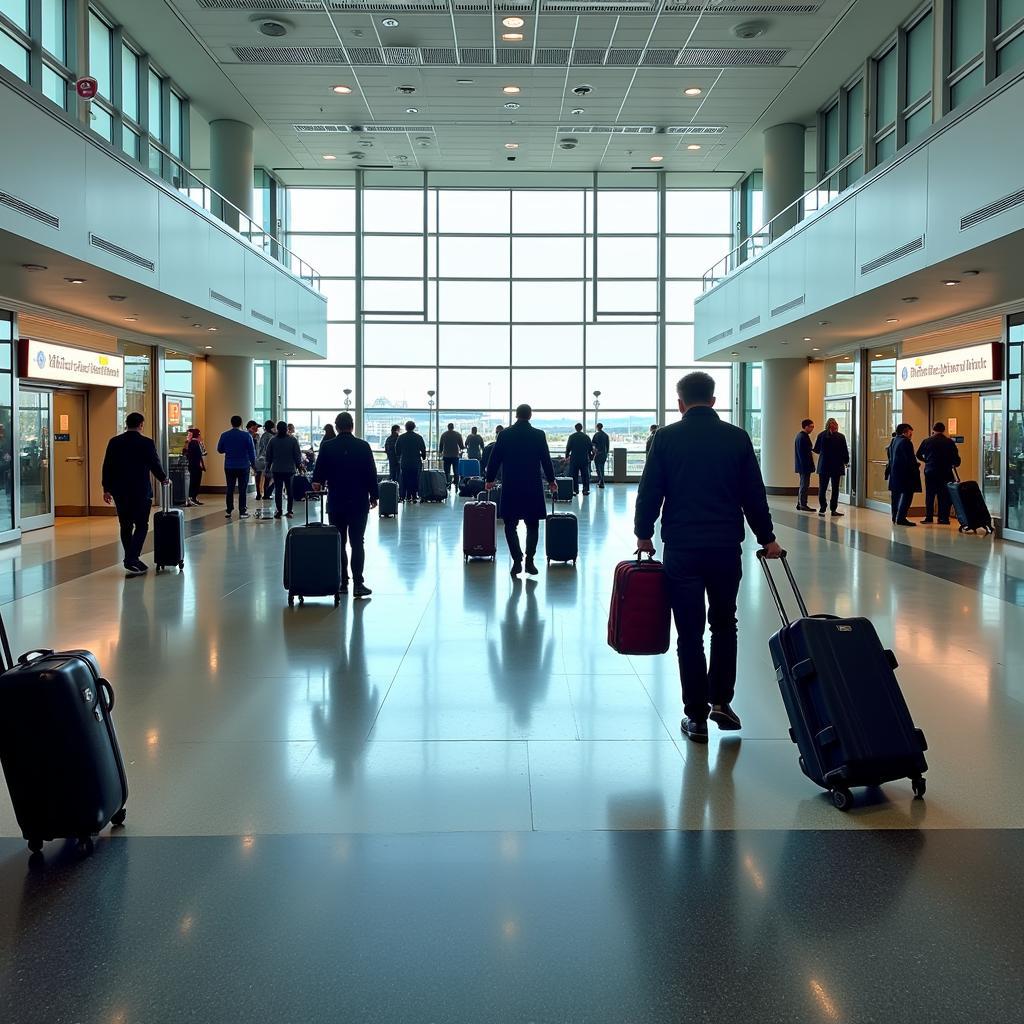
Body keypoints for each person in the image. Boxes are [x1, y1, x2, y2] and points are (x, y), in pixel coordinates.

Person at [634, 371, 781, 743]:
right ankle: (722, 702)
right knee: (724, 624)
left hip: (682, 548)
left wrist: (644, 533)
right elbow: (753, 494)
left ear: (680, 403)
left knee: (690, 634)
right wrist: (768, 538)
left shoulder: (666, 438)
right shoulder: (736, 438)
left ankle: (695, 717)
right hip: (724, 547)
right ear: (714, 401)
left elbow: (650, 489)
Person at [484, 404, 558, 578]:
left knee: (510, 525)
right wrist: (552, 480)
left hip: (511, 486)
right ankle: (530, 561)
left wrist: (489, 480)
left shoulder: (505, 435)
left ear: (516, 415)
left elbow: (494, 459)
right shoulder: (539, 435)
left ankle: (517, 560)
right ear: (530, 415)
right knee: (533, 525)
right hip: (532, 485)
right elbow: (546, 460)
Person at [312, 412, 379, 598]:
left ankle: (342, 583)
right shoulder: (363, 446)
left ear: (337, 426)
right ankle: (359, 584)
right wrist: (374, 495)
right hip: (358, 501)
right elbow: (371, 473)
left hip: (336, 501)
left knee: (339, 541)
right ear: (352, 426)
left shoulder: (326, 446)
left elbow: (318, 477)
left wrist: (319, 483)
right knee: (358, 542)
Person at [101, 412, 169, 577]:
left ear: (126, 424)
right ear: (141, 425)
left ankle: (131, 558)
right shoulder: (146, 443)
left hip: (120, 491)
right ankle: (131, 558)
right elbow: (154, 463)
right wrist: (163, 478)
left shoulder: (114, 442)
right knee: (141, 525)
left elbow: (107, 465)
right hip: (140, 491)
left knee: (125, 525)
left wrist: (106, 488)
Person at [916, 422, 961, 524]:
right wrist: (954, 463)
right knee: (944, 495)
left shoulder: (927, 441)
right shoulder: (949, 442)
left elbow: (918, 454)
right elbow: (956, 459)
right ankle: (943, 518)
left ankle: (929, 517)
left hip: (930, 471)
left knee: (930, 495)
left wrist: (926, 460)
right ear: (944, 430)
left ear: (933, 429)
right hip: (945, 472)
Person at [217, 415, 257, 520]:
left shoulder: (224, 435)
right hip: (243, 466)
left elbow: (219, 449)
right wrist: (254, 465)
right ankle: (242, 511)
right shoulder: (246, 436)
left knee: (230, 488)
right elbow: (251, 452)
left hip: (229, 465)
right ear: (241, 423)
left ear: (231, 423)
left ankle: (229, 510)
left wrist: (229, 450)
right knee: (242, 489)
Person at [265, 421, 303, 519]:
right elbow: (297, 455)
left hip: (277, 469)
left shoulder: (273, 440)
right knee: (289, 490)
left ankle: (279, 511)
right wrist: (299, 467)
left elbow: (268, 457)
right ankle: (289, 511)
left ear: (277, 429)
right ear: (286, 429)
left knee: (278, 490)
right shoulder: (293, 440)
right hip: (290, 469)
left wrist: (267, 468)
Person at [813, 417, 850, 517]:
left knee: (822, 488)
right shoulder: (841, 437)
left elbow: (816, 449)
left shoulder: (821, 435)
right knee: (835, 489)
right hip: (836, 466)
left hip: (824, 466)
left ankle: (822, 508)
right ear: (835, 426)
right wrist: (846, 461)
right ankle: (833, 509)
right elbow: (844, 452)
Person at [887, 423, 921, 526]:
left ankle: (894, 516)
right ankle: (901, 518)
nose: (911, 435)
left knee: (895, 496)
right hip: (906, 475)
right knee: (907, 495)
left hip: (895, 474)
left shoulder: (894, 440)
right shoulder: (906, 442)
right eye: (910, 432)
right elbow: (909, 459)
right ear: (905, 432)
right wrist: (916, 466)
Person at [396, 420, 427, 502]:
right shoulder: (418, 437)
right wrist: (423, 457)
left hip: (405, 461)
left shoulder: (401, 437)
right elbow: (423, 449)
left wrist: (400, 456)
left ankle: (405, 496)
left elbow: (397, 450)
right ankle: (414, 496)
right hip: (415, 462)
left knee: (405, 478)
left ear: (406, 428)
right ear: (414, 427)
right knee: (414, 478)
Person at [793, 418, 816, 512]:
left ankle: (800, 503)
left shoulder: (799, 436)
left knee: (803, 484)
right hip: (805, 466)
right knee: (804, 485)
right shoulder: (803, 437)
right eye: (811, 427)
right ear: (805, 427)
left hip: (802, 465)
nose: (812, 429)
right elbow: (806, 452)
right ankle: (803, 504)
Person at [565, 423, 593, 496]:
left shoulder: (572, 437)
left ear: (575, 428)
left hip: (574, 458)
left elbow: (568, 448)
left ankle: (575, 490)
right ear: (582, 428)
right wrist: (590, 457)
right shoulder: (586, 437)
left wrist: (566, 457)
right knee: (585, 475)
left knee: (574, 475)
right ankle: (585, 490)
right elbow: (590, 448)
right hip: (584, 458)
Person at [438, 422, 465, 490]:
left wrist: (440, 452)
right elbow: (461, 445)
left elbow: (441, 445)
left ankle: (447, 482)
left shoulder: (444, 435)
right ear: (453, 427)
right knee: (456, 470)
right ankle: (456, 483)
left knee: (446, 470)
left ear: (448, 427)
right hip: (455, 455)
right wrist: (462, 449)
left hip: (446, 455)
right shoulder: (457, 434)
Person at [184, 428, 206, 507]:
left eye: (189, 434)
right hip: (195, 465)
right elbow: (202, 453)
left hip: (194, 465)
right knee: (195, 482)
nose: (188, 436)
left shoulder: (193, 443)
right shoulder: (194, 443)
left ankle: (193, 498)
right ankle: (192, 498)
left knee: (195, 482)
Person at [257, 419, 276, 505]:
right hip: (267, 459)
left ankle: (262, 493)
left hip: (260, 459)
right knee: (268, 478)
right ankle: (266, 494)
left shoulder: (263, 435)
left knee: (263, 478)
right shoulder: (271, 437)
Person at [592, 422, 610, 489]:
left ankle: (601, 481)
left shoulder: (596, 435)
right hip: (604, 454)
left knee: (598, 468)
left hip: (598, 454)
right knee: (602, 468)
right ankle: (602, 481)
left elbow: (593, 444)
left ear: (597, 427)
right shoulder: (606, 435)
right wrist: (606, 453)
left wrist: (594, 452)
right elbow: (607, 446)